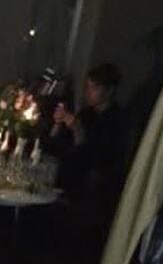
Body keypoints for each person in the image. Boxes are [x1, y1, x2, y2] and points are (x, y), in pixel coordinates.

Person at [47, 61, 126, 211]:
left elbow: (94, 159)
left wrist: (78, 130)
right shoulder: (86, 114)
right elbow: (56, 146)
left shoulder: (117, 121)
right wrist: (57, 123)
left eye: (94, 88)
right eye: (87, 87)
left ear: (109, 91)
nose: (87, 92)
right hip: (64, 181)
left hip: (90, 191)